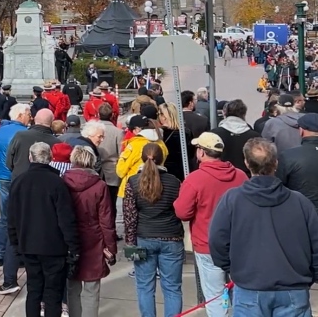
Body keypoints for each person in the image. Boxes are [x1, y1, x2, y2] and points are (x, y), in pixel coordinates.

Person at [210, 138, 318, 315]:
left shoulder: (232, 199)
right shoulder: (300, 202)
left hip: (253, 287)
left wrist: (234, 269)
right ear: (275, 163)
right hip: (290, 288)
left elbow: (217, 241)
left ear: (246, 163)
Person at [173, 132, 246, 317]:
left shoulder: (195, 179)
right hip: (238, 245)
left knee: (214, 296)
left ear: (202, 153)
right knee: (240, 292)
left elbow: (182, 212)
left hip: (207, 246)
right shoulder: (240, 176)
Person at [7, 142, 80, 317]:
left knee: (34, 291)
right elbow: (66, 219)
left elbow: (11, 218)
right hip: (53, 248)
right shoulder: (57, 182)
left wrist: (15, 244)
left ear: (30, 158)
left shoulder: (18, 182)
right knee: (53, 294)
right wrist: (74, 247)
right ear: (50, 158)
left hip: (28, 246)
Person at [123, 142, 184, 317]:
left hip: (144, 238)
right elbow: (181, 210)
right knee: (172, 287)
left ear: (142, 158)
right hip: (171, 237)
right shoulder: (174, 182)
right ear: (162, 158)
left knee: (144, 286)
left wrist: (130, 243)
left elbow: (129, 217)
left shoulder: (133, 182)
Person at [62, 146, 116, 317]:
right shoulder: (100, 186)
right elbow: (106, 220)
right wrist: (111, 247)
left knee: (72, 285)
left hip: (69, 239)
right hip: (94, 239)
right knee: (92, 288)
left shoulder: (62, 182)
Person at [0, 102, 30, 272]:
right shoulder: (26, 133)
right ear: (21, 115)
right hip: (21, 178)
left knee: (5, 217)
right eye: (28, 113)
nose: (31, 116)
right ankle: (19, 253)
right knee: (22, 217)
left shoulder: (0, 131)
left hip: (4, 178)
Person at [116, 113, 167, 199]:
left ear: (136, 130)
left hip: (133, 188)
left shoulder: (134, 145)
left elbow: (120, 171)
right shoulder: (161, 144)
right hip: (157, 186)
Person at [6, 108, 60, 178]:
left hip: (19, 180)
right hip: (46, 182)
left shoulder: (20, 136)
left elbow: (9, 161)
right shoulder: (57, 142)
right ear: (52, 122)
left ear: (35, 119)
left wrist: (17, 172)